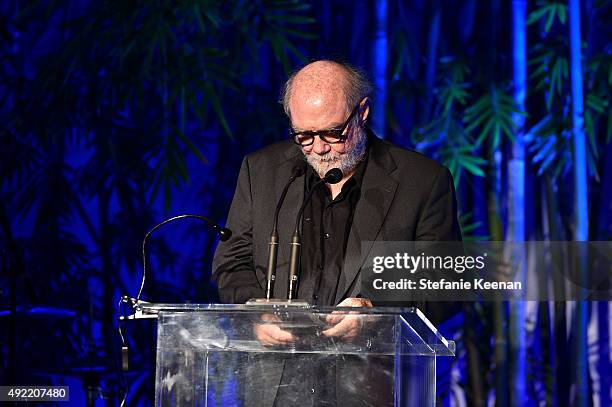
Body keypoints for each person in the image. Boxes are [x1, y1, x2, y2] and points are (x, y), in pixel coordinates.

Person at [211, 59, 461, 406]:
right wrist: (256, 310)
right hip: (273, 384)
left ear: (362, 112)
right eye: (304, 136)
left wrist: (375, 310)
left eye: (333, 132)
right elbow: (232, 262)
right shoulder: (261, 171)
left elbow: (443, 281)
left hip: (372, 384)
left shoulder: (422, 181)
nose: (319, 147)